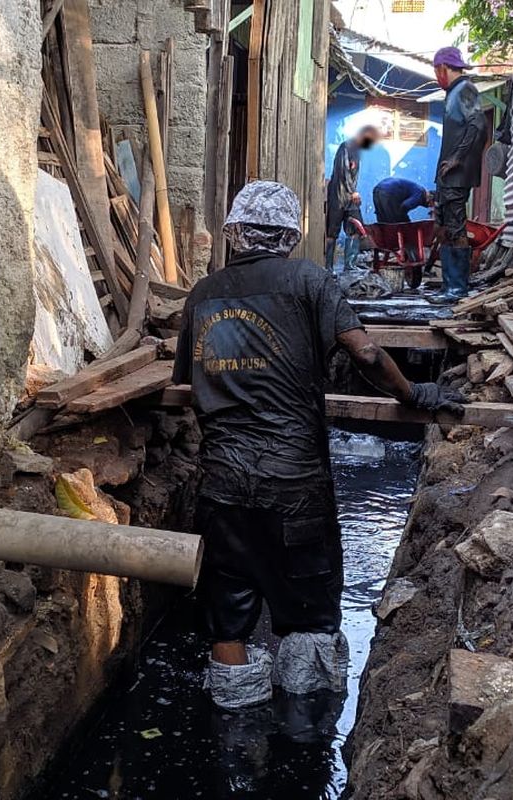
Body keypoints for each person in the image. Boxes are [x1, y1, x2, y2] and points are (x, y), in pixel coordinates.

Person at [173, 180, 467, 710]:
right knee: (308, 614)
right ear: (291, 236)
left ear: (235, 233)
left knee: (229, 606)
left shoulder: (202, 295)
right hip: (296, 485)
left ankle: (233, 737)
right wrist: (413, 392)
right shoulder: (311, 281)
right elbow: (367, 354)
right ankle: (304, 733)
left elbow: (189, 380)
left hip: (222, 486)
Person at [431, 46, 488, 302]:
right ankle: (448, 286)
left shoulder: (465, 90)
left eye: (436, 71)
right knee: (444, 227)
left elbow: (478, 125)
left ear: (443, 68)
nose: (436, 76)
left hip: (457, 175)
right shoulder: (453, 93)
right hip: (446, 175)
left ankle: (457, 289)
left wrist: (457, 158)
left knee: (455, 228)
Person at [325, 125, 380, 272]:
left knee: (356, 227)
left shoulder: (357, 152)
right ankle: (329, 268)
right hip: (338, 195)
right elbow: (343, 172)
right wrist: (352, 191)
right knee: (332, 232)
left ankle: (350, 265)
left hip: (351, 198)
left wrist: (353, 193)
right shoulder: (345, 147)